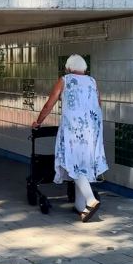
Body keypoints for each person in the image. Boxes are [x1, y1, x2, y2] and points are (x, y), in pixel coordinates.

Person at [31, 54, 108, 222]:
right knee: (84, 165)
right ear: (84, 68)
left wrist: (38, 122)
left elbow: (49, 104)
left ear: (68, 68)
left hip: (73, 129)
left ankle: (90, 199)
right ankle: (82, 207)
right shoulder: (92, 81)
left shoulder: (65, 80)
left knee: (72, 163)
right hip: (92, 130)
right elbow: (98, 105)